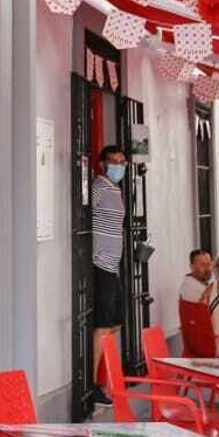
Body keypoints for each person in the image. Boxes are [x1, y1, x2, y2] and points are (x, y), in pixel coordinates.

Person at [90, 145, 127, 404]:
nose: (118, 166)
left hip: (113, 267)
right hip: (100, 263)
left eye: (122, 162)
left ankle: (107, 379)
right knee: (102, 326)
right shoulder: (99, 186)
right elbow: (84, 212)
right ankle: (94, 385)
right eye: (113, 161)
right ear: (103, 164)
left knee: (115, 323)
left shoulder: (117, 190)